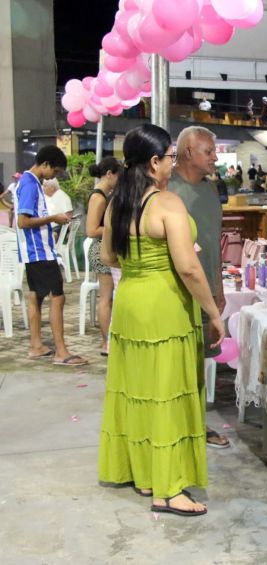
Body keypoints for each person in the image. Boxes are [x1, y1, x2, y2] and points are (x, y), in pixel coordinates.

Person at [98, 124, 223, 516]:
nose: (172, 162)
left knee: (137, 389)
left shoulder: (118, 203)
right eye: (170, 156)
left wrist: (141, 266)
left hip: (131, 302)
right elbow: (188, 268)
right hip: (165, 304)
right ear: (155, 161)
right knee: (168, 392)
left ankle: (141, 473)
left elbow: (108, 258)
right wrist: (213, 312)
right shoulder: (167, 204)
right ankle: (167, 490)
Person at [170, 125, 231, 449]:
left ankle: (197, 424)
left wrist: (218, 289)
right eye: (208, 151)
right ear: (188, 152)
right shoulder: (166, 190)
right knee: (175, 364)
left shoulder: (209, 191)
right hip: (175, 291)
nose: (214, 157)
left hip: (206, 288)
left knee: (200, 361)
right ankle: (175, 426)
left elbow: (212, 243)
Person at [15, 146, 87, 366]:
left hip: (33, 251)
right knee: (58, 297)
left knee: (35, 296)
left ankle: (36, 345)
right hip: (39, 251)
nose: (54, 177)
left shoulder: (30, 182)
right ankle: (61, 351)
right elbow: (23, 221)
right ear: (45, 164)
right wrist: (53, 218)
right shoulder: (29, 184)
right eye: (54, 172)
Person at [86, 157, 122, 356]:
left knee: (109, 298)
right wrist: (114, 227)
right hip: (101, 249)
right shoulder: (99, 197)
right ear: (109, 174)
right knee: (106, 298)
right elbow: (91, 229)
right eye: (118, 176)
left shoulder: (104, 195)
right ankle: (106, 342)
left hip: (105, 248)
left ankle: (109, 340)